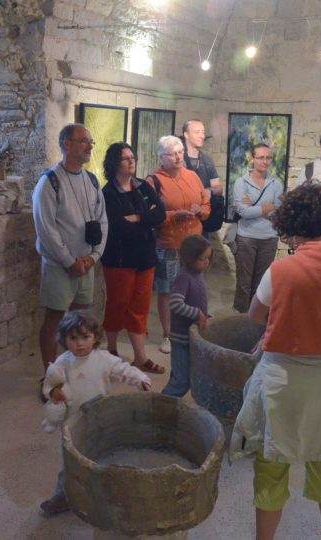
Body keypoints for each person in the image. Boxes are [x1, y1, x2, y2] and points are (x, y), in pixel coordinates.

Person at [230, 184, 321, 540]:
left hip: (283, 379)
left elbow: (254, 316)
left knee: (271, 466)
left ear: (293, 227)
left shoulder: (282, 271)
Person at [39, 310, 151, 515]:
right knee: (69, 463)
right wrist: (54, 392)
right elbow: (49, 384)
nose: (79, 343)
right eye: (73, 338)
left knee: (97, 458)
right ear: (64, 339)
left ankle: (98, 495)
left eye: (85, 337)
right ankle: (63, 496)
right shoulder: (62, 362)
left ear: (95, 337)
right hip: (71, 423)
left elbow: (123, 370)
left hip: (98, 420)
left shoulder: (104, 359)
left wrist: (140, 379)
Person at [32, 123, 108, 396]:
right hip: (59, 266)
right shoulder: (49, 182)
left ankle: (74, 372)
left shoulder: (90, 180)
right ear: (66, 144)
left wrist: (93, 256)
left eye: (90, 142)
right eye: (83, 141)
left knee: (79, 321)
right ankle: (50, 378)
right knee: (54, 320)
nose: (89, 146)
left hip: (86, 263)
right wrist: (68, 261)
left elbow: (102, 220)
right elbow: (47, 228)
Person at [100, 142, 166, 374]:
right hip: (120, 259)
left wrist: (138, 218)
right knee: (118, 304)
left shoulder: (143, 187)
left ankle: (140, 356)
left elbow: (160, 214)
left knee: (140, 307)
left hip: (145, 258)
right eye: (126, 158)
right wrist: (146, 221)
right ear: (114, 163)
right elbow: (119, 228)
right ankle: (111, 350)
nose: (132, 161)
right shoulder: (108, 194)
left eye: (133, 157)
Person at [148, 135, 211, 354]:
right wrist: (175, 216)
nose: (178, 157)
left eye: (180, 152)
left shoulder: (192, 176)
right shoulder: (153, 181)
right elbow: (151, 215)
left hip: (194, 243)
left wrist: (201, 211)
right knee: (168, 291)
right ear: (161, 157)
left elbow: (206, 202)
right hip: (170, 243)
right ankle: (168, 334)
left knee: (195, 286)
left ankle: (193, 327)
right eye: (172, 153)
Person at [231, 143, 283, 313]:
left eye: (268, 157)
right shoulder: (241, 182)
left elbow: (278, 212)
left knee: (261, 282)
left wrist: (255, 207)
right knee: (244, 283)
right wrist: (267, 207)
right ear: (252, 159)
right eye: (261, 157)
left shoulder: (277, 184)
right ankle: (240, 320)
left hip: (269, 237)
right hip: (246, 237)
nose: (265, 161)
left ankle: (256, 318)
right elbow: (243, 212)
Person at [161, 234, 212, 397]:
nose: (206, 262)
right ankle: (162, 407)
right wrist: (197, 313)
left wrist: (205, 315)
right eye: (202, 258)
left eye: (208, 258)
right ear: (190, 258)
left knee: (182, 375)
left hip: (190, 337)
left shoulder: (198, 275)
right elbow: (175, 304)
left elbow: (198, 300)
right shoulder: (184, 277)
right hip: (180, 337)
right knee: (180, 382)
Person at [181, 119, 222, 195]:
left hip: (204, 205)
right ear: (186, 135)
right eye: (197, 132)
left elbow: (218, 188)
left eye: (203, 132)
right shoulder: (177, 159)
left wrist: (208, 191)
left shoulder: (207, 160)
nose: (202, 136)